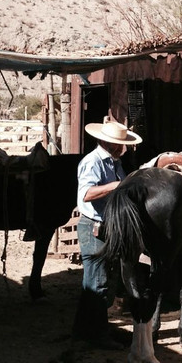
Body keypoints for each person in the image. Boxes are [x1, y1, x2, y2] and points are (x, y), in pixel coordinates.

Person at [71, 118, 143, 348]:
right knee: (98, 283)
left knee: (97, 282)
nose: (124, 148)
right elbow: (87, 194)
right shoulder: (93, 162)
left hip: (105, 227)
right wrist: (117, 186)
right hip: (94, 228)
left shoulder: (114, 163)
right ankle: (97, 335)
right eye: (121, 144)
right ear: (109, 143)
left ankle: (85, 331)